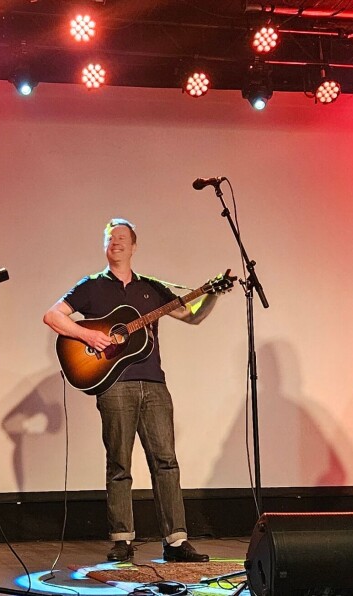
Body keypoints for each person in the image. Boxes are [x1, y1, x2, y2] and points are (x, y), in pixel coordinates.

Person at [43, 218, 220, 563]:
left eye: (123, 238)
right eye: (111, 238)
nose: (117, 242)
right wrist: (88, 336)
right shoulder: (91, 286)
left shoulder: (152, 288)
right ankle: (122, 539)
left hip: (154, 383)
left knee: (166, 462)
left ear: (134, 246)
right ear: (105, 247)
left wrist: (211, 292)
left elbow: (192, 315)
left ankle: (176, 541)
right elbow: (53, 316)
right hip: (114, 386)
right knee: (119, 463)